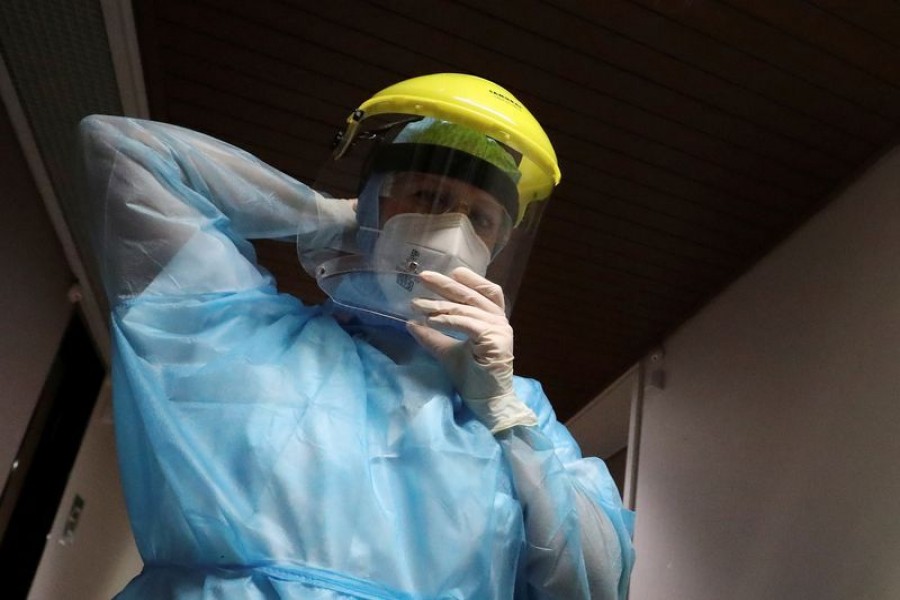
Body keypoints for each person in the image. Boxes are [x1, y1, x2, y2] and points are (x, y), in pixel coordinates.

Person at [78, 73, 634, 599]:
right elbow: (127, 153)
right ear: (372, 204)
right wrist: (325, 216)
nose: (452, 232)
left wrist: (507, 417)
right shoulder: (243, 333)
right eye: (429, 198)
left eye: (481, 220)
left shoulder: (515, 410)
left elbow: (598, 583)